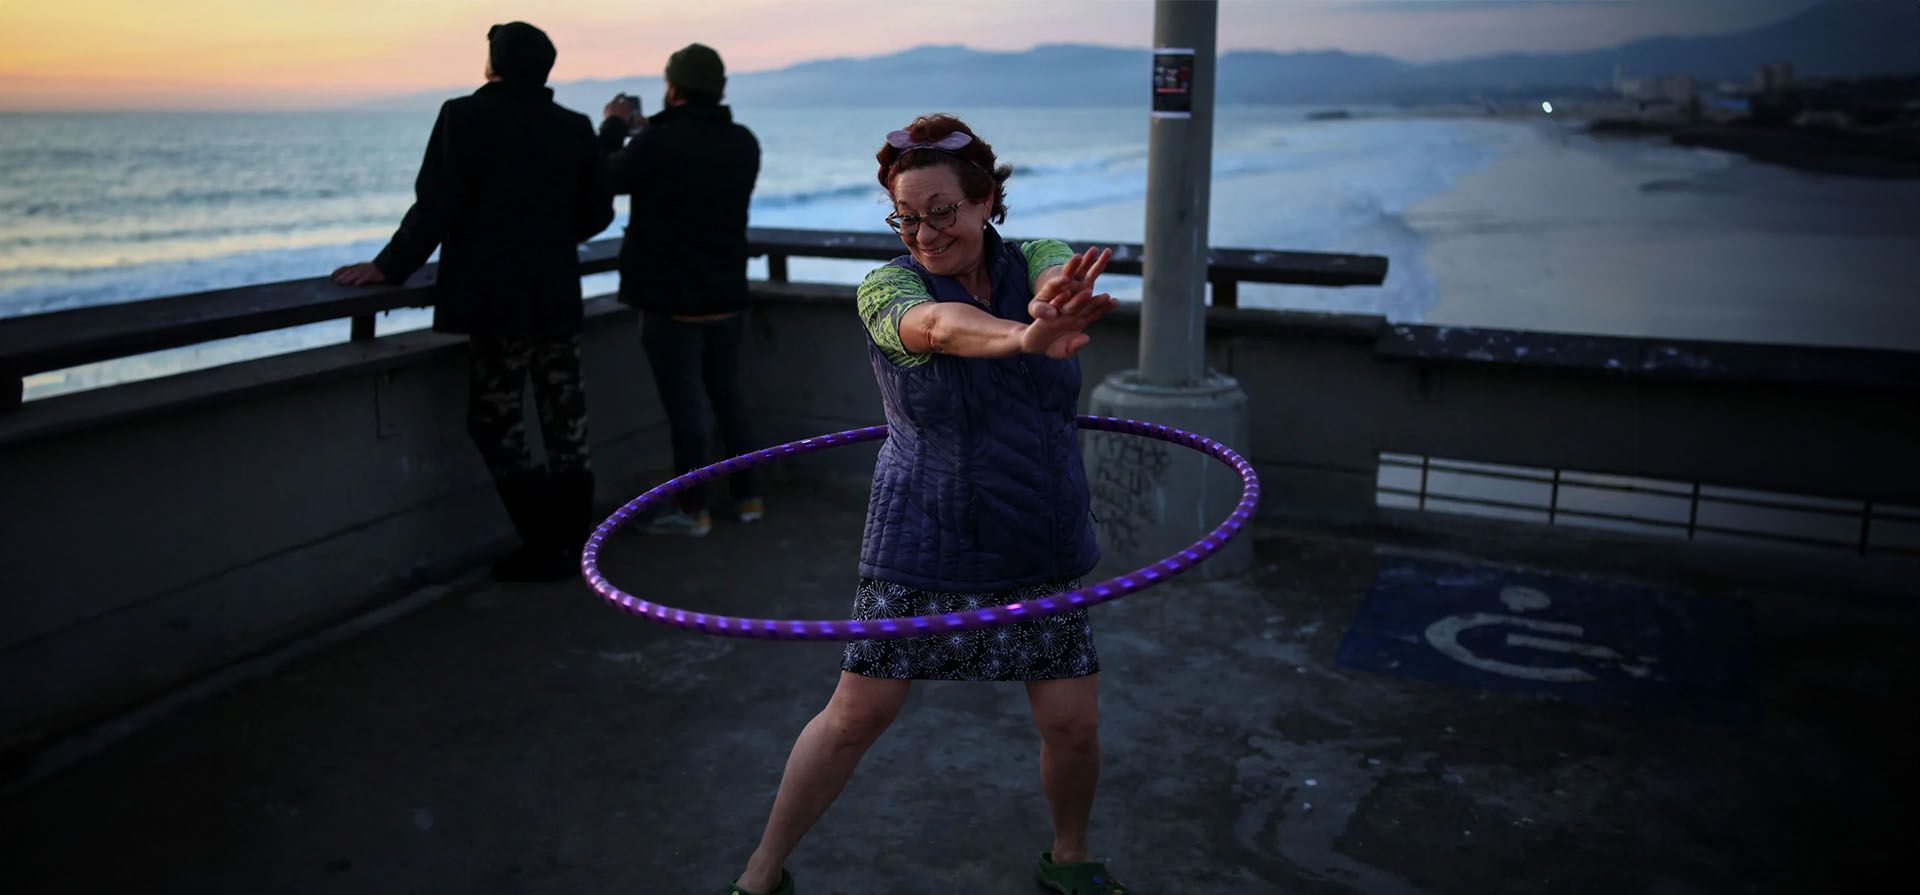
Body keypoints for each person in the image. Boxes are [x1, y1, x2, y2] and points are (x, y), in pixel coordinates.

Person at [721, 114, 1123, 895]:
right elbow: (938, 326)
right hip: (925, 536)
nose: (925, 233)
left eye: (943, 212)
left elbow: (1051, 276)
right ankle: (760, 873)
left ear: (985, 203)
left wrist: (1051, 303)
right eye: (906, 217)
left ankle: (1070, 856)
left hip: (1037, 532)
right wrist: (1022, 338)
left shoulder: (1035, 256)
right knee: (853, 717)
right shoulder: (886, 286)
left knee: (1073, 724)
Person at [332, 22, 613, 581]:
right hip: (555, 295)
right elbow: (598, 213)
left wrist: (389, 268)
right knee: (567, 425)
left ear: (494, 64)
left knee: (496, 423)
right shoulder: (574, 127)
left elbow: (435, 207)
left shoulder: (463, 116)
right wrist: (550, 240)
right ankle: (579, 550)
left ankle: (544, 546)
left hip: (497, 303)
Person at [598, 43, 763, 538]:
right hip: (727, 293)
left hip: (672, 301)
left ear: (672, 89)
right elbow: (694, 168)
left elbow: (601, 175)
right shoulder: (742, 141)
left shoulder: (657, 146)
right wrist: (655, 133)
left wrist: (614, 127)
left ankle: (693, 510)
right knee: (729, 399)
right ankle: (748, 497)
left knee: (687, 410)